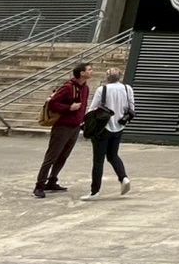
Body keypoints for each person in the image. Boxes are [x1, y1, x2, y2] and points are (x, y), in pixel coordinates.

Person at [33, 62, 91, 199]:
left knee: (64, 155)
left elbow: (83, 106)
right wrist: (68, 108)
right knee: (51, 156)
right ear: (82, 73)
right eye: (89, 69)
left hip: (75, 126)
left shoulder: (85, 88)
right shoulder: (68, 87)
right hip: (62, 126)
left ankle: (52, 180)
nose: (91, 72)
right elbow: (53, 103)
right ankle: (39, 185)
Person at [80, 67, 135, 201]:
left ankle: (95, 192)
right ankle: (124, 178)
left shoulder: (102, 90)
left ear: (107, 77)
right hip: (119, 126)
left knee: (98, 160)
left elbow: (92, 109)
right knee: (113, 155)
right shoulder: (128, 89)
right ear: (120, 77)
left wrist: (85, 124)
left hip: (102, 128)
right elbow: (131, 108)